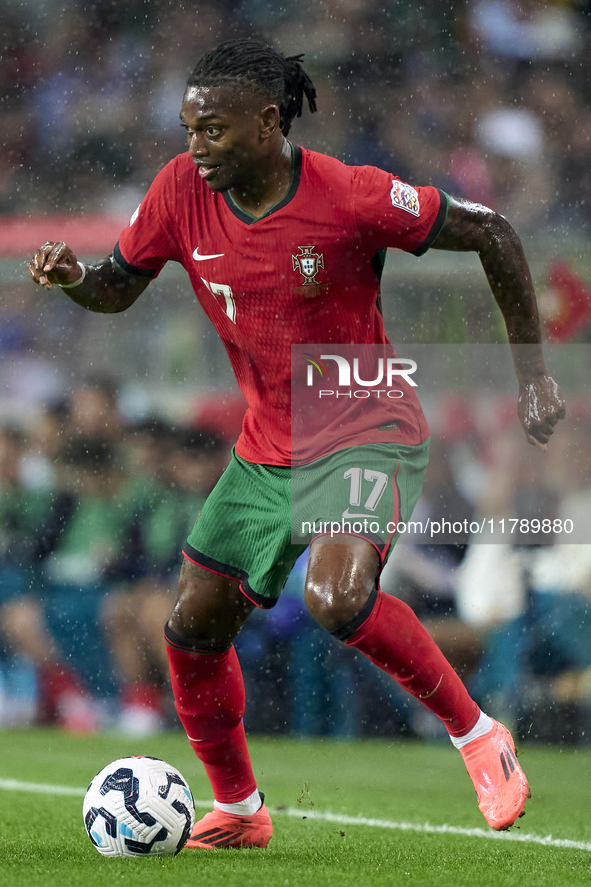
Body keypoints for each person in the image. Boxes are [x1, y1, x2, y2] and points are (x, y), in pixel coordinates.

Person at [28, 39, 566, 847]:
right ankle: (240, 810)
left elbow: (491, 232)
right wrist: (76, 278)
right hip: (265, 448)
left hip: (363, 425)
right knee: (190, 629)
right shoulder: (180, 191)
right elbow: (114, 286)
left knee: (335, 597)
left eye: (212, 130)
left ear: (267, 122)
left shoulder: (348, 194)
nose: (195, 147)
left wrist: (530, 372)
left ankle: (479, 734)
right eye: (187, 129)